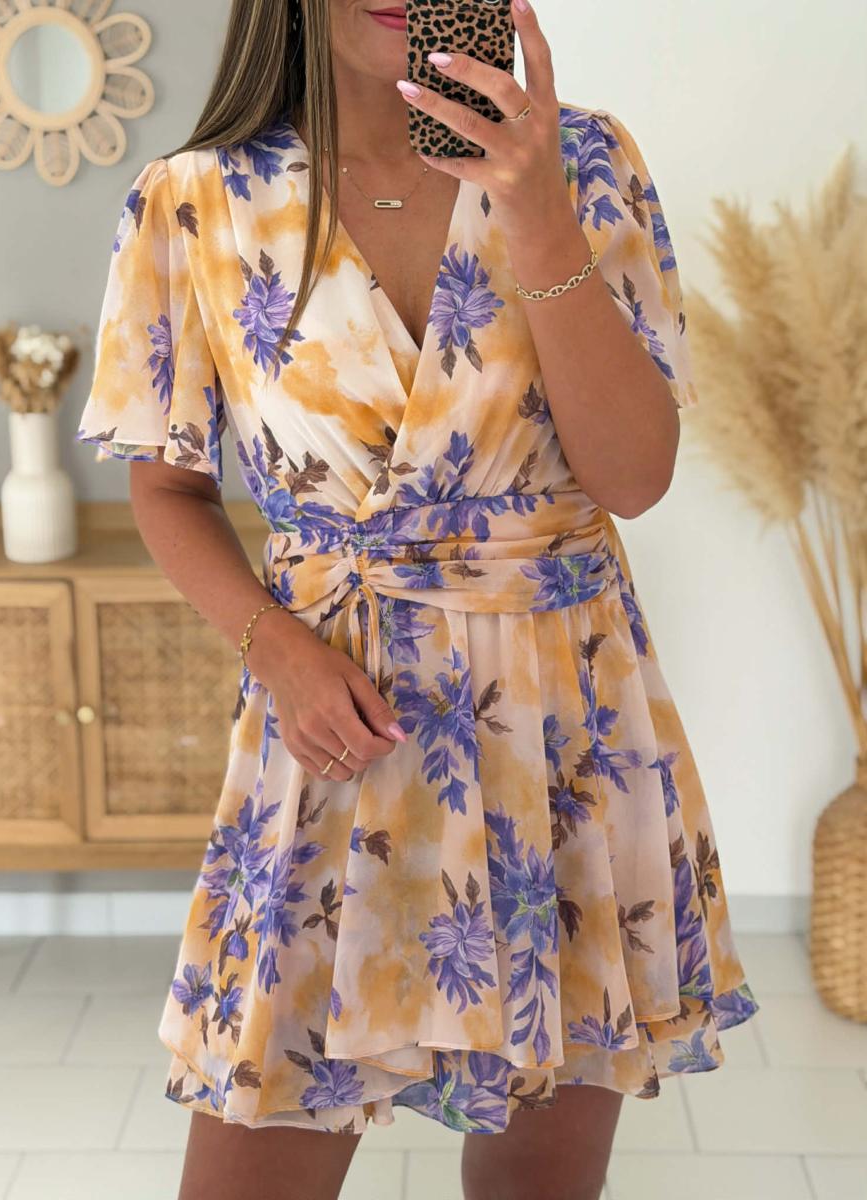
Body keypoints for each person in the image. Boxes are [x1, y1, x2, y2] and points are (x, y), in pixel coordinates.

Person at [75, 1, 760, 1197]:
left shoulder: (584, 161)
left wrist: (536, 213)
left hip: (563, 738)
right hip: (335, 729)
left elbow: (632, 478)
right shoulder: (194, 199)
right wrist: (275, 647)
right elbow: (168, 486)